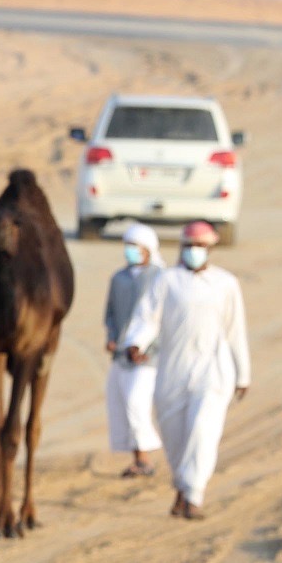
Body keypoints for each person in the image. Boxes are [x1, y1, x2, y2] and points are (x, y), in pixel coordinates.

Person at [123, 220, 251, 519]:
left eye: (200, 246)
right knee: (176, 436)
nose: (194, 251)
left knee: (203, 431)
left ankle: (194, 495)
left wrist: (242, 374)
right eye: (189, 246)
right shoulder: (166, 281)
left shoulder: (226, 283)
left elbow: (236, 331)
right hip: (172, 372)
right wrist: (136, 344)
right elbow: (147, 318)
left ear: (211, 248)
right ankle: (182, 490)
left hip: (213, 372)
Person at [103, 222, 163, 478]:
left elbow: (161, 319)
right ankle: (137, 458)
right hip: (121, 356)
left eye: (135, 247)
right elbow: (111, 315)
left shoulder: (161, 278)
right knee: (120, 404)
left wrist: (149, 346)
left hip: (149, 357)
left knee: (137, 403)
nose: (131, 251)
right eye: (128, 246)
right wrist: (112, 338)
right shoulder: (119, 278)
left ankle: (146, 458)